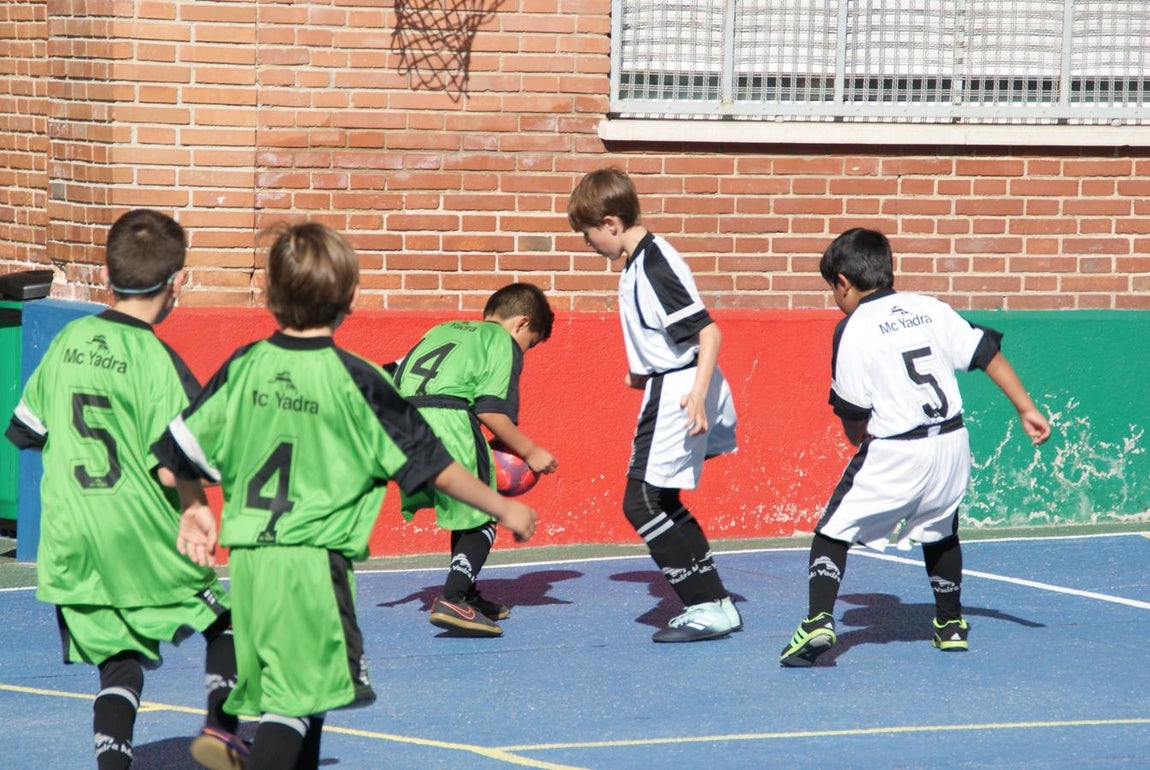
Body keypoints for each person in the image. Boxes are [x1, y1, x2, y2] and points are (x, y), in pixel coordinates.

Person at [152, 222, 536, 770]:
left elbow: (174, 460)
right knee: (297, 705)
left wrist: (194, 507)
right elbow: (438, 467)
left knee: (298, 695)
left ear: (268, 296)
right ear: (351, 299)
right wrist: (501, 505)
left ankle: (226, 727)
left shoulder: (244, 366)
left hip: (250, 561)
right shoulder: (358, 381)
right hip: (315, 563)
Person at [4, 209, 243, 769]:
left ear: (108, 275)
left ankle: (113, 763)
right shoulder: (159, 362)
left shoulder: (67, 342)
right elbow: (173, 463)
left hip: (72, 545)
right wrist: (194, 507)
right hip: (142, 540)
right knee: (226, 624)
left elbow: (27, 432)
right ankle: (223, 731)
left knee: (119, 663)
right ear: (177, 281)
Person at [779, 228, 1052, 667]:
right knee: (940, 529)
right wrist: (1026, 408)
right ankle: (949, 624)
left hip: (896, 446)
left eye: (834, 289)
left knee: (833, 530)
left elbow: (851, 409)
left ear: (843, 283)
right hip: (952, 442)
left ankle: (817, 621)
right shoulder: (930, 308)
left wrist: (857, 437)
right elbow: (985, 353)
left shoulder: (853, 327)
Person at [567, 167, 742, 643]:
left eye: (588, 236)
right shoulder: (640, 260)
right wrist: (642, 369)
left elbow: (708, 332)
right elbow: (666, 332)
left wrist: (697, 395)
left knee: (640, 501)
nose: (588, 245)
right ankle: (716, 602)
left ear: (610, 223)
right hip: (668, 381)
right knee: (661, 498)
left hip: (680, 390)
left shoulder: (652, 265)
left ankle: (706, 605)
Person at [391, 282, 558, 637]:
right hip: (449, 420)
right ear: (521, 325)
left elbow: (393, 369)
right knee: (485, 508)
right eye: (530, 344)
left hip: (405, 421)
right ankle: (452, 599)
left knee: (464, 507)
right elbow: (490, 410)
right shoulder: (501, 342)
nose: (524, 351)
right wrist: (530, 451)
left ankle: (465, 592)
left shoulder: (443, 330)